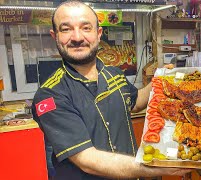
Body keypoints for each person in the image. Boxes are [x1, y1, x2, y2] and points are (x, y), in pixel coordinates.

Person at [31, 1, 191, 179]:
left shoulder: (113, 73)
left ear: (98, 34)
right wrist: (152, 168)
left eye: (86, 28)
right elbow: (87, 159)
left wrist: (159, 80)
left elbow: (136, 101)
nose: (77, 37)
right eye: (66, 29)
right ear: (55, 36)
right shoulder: (50, 96)